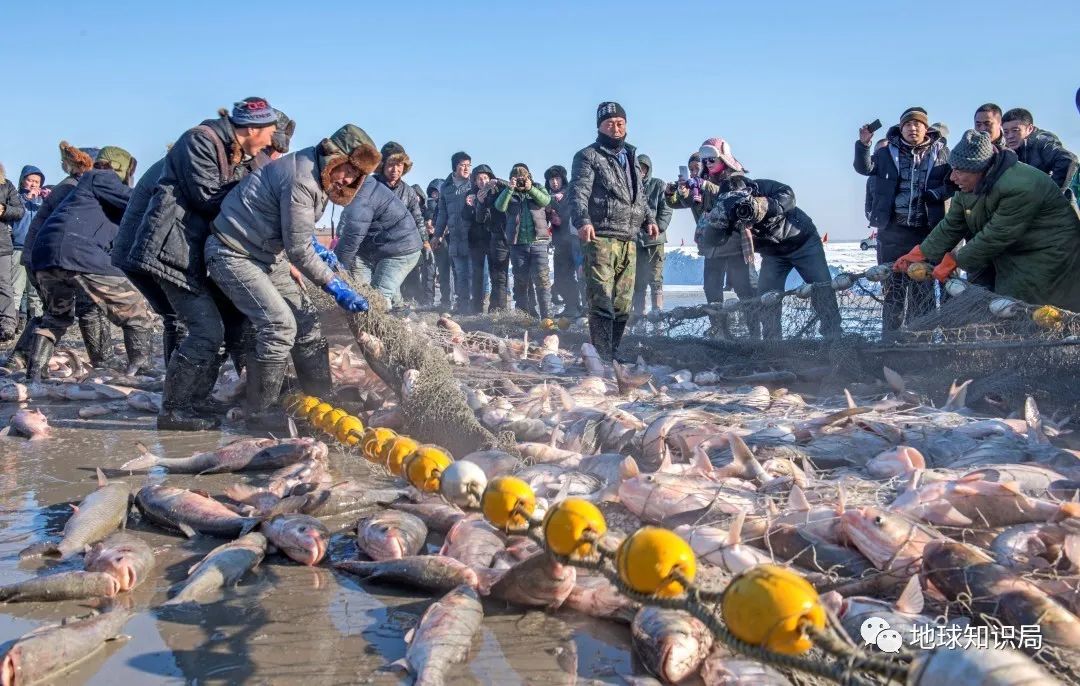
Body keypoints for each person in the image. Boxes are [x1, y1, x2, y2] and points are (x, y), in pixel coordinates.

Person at [208, 123, 377, 432]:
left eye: (356, 175)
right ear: (333, 156)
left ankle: (321, 396)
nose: (349, 178)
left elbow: (295, 228)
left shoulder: (318, 176)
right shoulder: (303, 178)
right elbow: (298, 251)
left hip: (265, 254)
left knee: (307, 321)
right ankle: (260, 410)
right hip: (233, 252)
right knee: (279, 325)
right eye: (347, 169)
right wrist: (334, 285)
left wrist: (317, 246)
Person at [127, 98, 280, 431]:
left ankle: (198, 399)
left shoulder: (245, 156)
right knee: (205, 331)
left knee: (227, 328)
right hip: (174, 249)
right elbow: (206, 196)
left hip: (197, 252)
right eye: (269, 133)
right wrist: (257, 196)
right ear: (252, 129)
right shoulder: (199, 140)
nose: (271, 141)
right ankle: (174, 409)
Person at [895, 129, 1080, 311]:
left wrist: (955, 260)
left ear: (980, 169)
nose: (952, 176)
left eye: (959, 170)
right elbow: (952, 224)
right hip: (1015, 252)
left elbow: (997, 234)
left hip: (1051, 254)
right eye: (953, 169)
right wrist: (922, 252)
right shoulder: (966, 186)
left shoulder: (1021, 185)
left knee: (1034, 311)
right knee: (1009, 306)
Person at [27, 147, 158, 381]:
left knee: (57, 316)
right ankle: (142, 371)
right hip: (79, 253)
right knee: (136, 311)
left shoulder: (84, 192)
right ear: (121, 167)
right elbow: (139, 200)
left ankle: (34, 374)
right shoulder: (100, 177)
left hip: (45, 257)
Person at [700, 160, 841, 340]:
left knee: (822, 289)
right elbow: (712, 241)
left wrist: (762, 205)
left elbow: (788, 195)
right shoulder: (730, 211)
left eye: (741, 197)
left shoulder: (761, 186)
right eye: (733, 201)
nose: (740, 205)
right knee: (767, 299)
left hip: (803, 243)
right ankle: (772, 344)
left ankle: (834, 336)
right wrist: (717, 221)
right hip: (773, 255)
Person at [5, 142, 112, 373]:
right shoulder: (77, 188)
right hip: (54, 258)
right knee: (86, 307)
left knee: (55, 312)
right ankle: (103, 363)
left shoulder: (70, 185)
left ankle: (22, 360)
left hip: (40, 256)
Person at [570, 102, 658, 361]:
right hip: (601, 236)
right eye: (609, 124)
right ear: (599, 127)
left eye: (620, 123)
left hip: (629, 237)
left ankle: (613, 350)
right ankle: (601, 355)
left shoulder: (630, 155)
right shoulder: (588, 156)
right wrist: (583, 220)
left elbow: (638, 193)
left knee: (622, 302)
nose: (616, 128)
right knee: (602, 298)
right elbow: (578, 191)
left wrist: (649, 219)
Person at [854, 107, 951, 336]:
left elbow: (952, 182)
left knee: (923, 290)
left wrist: (937, 194)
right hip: (893, 231)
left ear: (926, 128)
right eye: (908, 124)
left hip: (926, 232)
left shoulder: (941, 153)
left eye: (918, 124)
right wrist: (864, 145)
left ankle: (921, 344)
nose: (913, 128)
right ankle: (890, 341)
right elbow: (864, 168)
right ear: (901, 128)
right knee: (893, 290)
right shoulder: (887, 153)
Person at [666, 138, 759, 338]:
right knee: (711, 287)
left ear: (723, 159)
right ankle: (719, 330)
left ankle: (755, 332)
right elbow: (685, 202)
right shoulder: (701, 182)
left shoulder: (735, 177)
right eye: (705, 161)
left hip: (734, 242)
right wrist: (672, 193)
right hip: (712, 243)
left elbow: (732, 196)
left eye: (711, 160)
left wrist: (705, 185)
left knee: (745, 288)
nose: (707, 165)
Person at [334, 175, 423, 308]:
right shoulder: (364, 188)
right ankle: (399, 312)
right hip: (380, 247)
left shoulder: (363, 196)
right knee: (364, 291)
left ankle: (383, 324)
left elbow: (353, 236)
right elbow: (347, 225)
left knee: (377, 297)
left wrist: (336, 269)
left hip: (401, 249)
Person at [494, 164, 554, 320]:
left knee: (542, 281)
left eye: (523, 178)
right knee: (521, 282)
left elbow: (546, 201)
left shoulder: (538, 188)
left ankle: (546, 317)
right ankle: (524, 317)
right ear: (511, 179)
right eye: (517, 179)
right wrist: (510, 188)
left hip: (539, 243)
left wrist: (530, 189)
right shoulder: (508, 192)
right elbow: (499, 207)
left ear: (529, 177)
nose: (520, 182)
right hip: (517, 244)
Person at [632, 154, 672, 320]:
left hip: (655, 239)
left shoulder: (658, 185)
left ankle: (657, 310)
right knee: (638, 279)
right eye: (638, 168)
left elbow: (667, 208)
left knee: (655, 276)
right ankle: (639, 312)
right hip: (636, 240)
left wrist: (659, 227)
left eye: (644, 168)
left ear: (648, 170)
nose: (641, 171)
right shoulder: (630, 187)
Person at [1001, 108, 1078, 193]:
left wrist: (1050, 193)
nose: (1010, 136)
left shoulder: (1042, 141)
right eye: (1006, 132)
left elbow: (1068, 159)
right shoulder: (1006, 149)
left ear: (1029, 129)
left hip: (1055, 202)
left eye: (1015, 130)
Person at [435, 152, 473, 313]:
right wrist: (437, 234)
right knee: (460, 273)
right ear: (454, 167)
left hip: (473, 236)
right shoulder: (446, 187)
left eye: (468, 165)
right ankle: (463, 307)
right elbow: (442, 213)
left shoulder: (473, 184)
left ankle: (476, 306)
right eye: (462, 165)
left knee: (475, 274)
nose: (466, 168)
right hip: (455, 237)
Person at [544, 165, 584, 318]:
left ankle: (577, 307)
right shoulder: (547, 196)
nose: (554, 182)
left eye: (557, 178)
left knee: (576, 276)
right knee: (561, 277)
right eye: (551, 179)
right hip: (559, 242)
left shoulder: (569, 193)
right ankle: (570, 305)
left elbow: (574, 213)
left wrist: (560, 216)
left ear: (562, 179)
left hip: (573, 241)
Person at [461, 164, 498, 313]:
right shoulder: (470, 195)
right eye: (479, 179)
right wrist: (468, 206)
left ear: (490, 179)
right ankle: (476, 307)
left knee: (496, 274)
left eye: (485, 178)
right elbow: (464, 216)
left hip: (494, 238)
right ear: (475, 181)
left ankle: (495, 307)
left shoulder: (496, 193)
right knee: (477, 275)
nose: (482, 181)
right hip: (476, 240)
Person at [12, 166, 45, 332]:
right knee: (15, 289)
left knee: (35, 292)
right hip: (17, 247)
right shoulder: (16, 199)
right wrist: (26, 201)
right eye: (30, 180)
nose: (33, 184)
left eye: (37, 181)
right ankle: (10, 325)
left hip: (37, 251)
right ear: (22, 180)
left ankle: (35, 324)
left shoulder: (44, 201)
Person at [0, 165, 25, 341]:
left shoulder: (6, 185)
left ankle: (7, 324)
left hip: (1, 244)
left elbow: (20, 210)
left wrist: (3, 209)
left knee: (3, 284)